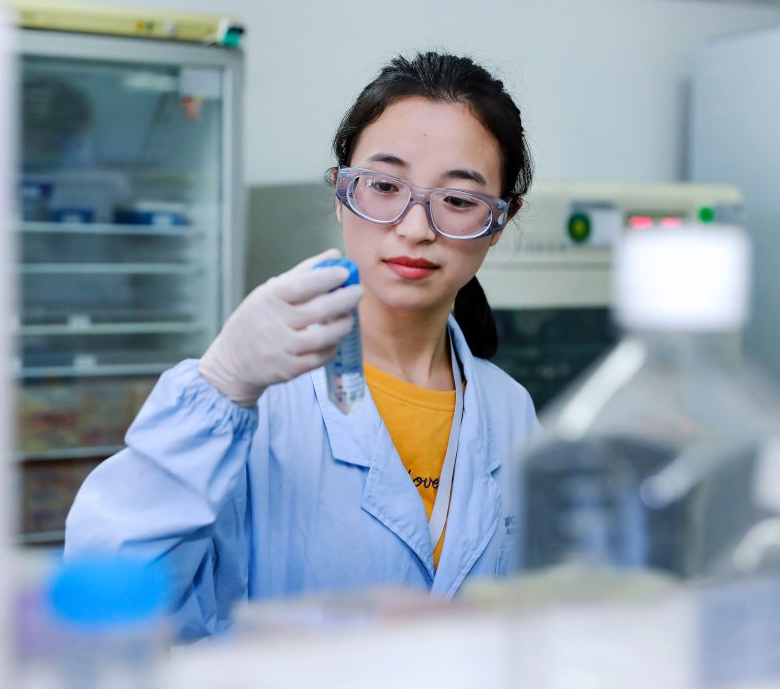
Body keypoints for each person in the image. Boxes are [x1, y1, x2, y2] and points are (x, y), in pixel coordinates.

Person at [65, 51, 538, 642]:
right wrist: (222, 385)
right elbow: (109, 598)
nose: (416, 228)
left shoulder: (508, 409)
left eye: (460, 201)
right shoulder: (253, 398)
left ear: (500, 220)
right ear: (341, 194)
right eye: (384, 186)